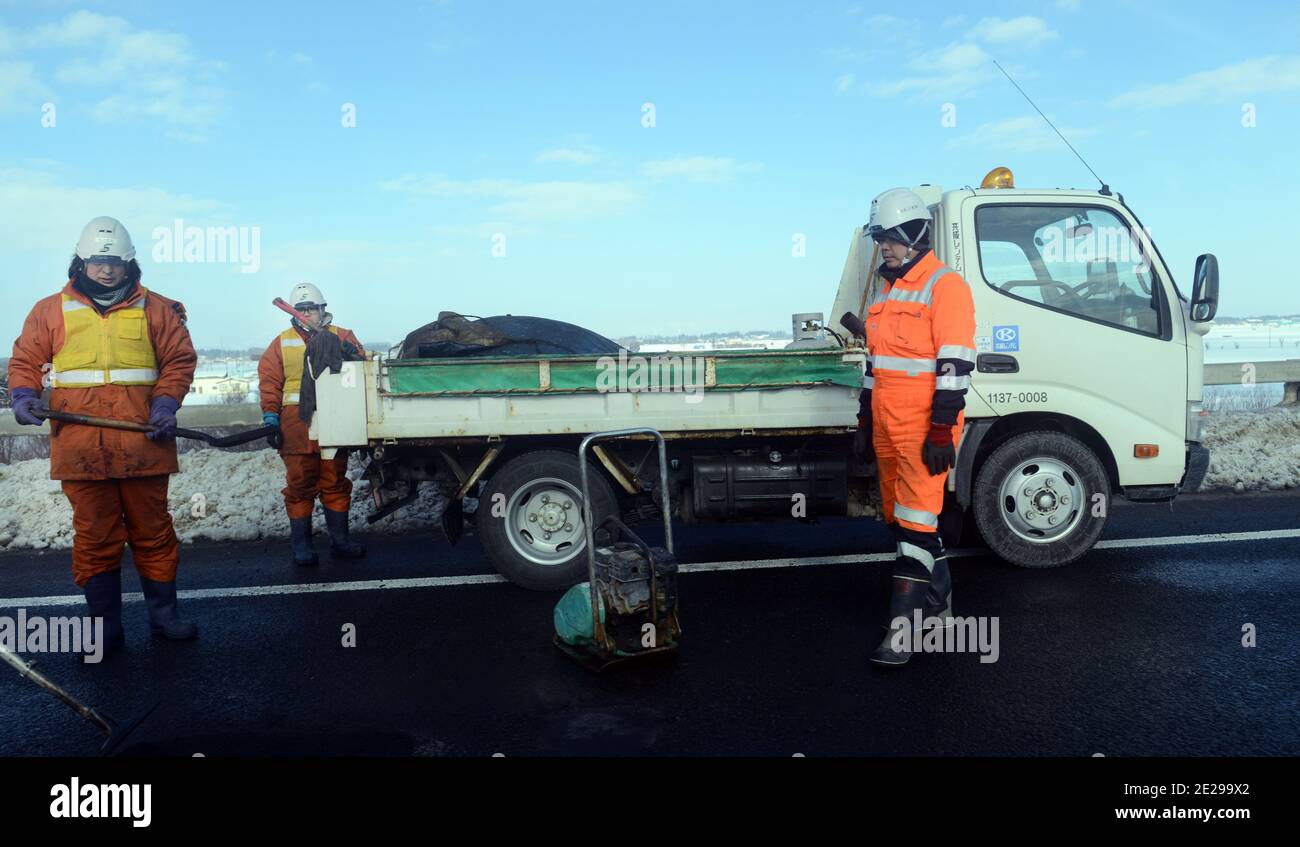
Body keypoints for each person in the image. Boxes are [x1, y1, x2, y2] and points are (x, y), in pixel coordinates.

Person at [8, 216, 199, 656]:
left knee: (152, 531)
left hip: (141, 442)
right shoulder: (48, 310)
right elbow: (25, 360)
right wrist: (23, 394)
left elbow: (178, 361)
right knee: (94, 537)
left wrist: (166, 403)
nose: (106, 269)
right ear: (81, 261)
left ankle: (164, 618)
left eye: (114, 261)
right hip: (81, 448)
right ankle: (104, 631)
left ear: (129, 263)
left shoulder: (159, 308)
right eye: (97, 261)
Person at [857, 189, 976, 667]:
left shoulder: (945, 286)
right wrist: (864, 421)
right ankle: (939, 607)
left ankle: (903, 634)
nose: (885, 246)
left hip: (925, 425)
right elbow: (875, 363)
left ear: (918, 235)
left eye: (893, 237)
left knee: (916, 525)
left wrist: (942, 428)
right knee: (902, 522)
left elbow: (955, 363)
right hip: (888, 422)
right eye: (880, 237)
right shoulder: (886, 291)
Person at [258, 283, 366, 565]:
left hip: (335, 419)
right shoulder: (281, 342)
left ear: (322, 310)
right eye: (302, 309)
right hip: (296, 425)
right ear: (293, 313)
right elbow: (270, 382)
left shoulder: (342, 336)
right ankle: (302, 547)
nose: (307, 314)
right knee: (300, 484)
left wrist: (349, 353)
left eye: (312, 309)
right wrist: (270, 415)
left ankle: (340, 541)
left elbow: (362, 371)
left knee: (334, 481)